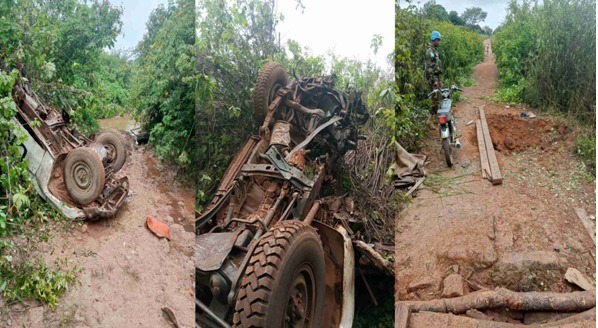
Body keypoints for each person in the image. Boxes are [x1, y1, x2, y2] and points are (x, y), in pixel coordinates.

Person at [425, 30, 442, 129]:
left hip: (437, 77)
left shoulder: (434, 50)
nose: (439, 42)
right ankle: (429, 120)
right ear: (433, 40)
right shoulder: (429, 51)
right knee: (435, 99)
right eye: (437, 40)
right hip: (433, 78)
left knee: (439, 97)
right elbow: (429, 68)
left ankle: (436, 118)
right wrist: (434, 81)